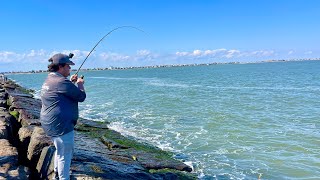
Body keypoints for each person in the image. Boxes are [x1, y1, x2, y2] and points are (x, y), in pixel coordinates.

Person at [40, 53, 86, 180]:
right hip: (60, 125)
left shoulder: (50, 79)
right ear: (60, 67)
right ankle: (63, 178)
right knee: (65, 154)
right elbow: (81, 96)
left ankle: (56, 173)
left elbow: (60, 91)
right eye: (68, 66)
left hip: (49, 123)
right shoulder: (61, 81)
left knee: (59, 150)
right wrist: (80, 84)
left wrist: (71, 82)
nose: (70, 69)